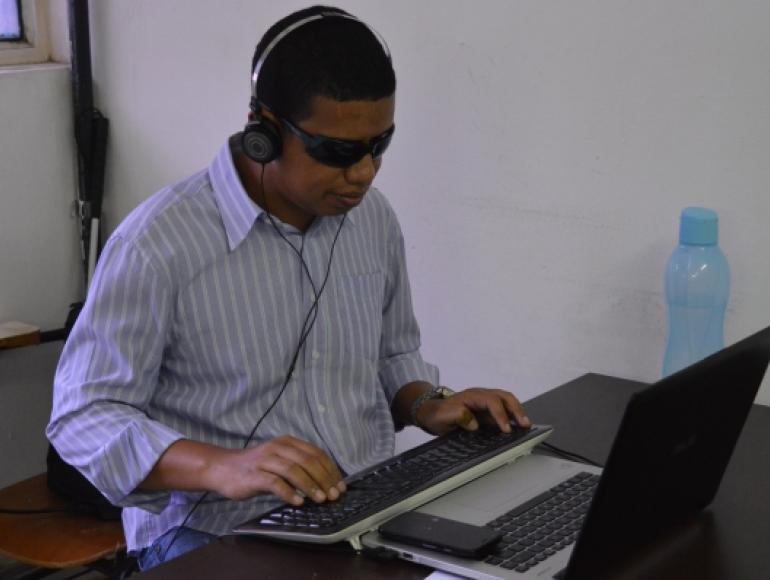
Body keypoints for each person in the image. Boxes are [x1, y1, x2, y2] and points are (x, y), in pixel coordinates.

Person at [47, 5, 531, 571]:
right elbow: (84, 417)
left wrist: (429, 404)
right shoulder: (157, 244)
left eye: (379, 145)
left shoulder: (372, 220)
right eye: (337, 152)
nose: (364, 172)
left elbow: (391, 356)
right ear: (265, 132)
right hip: (212, 531)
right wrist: (222, 467)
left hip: (364, 509)